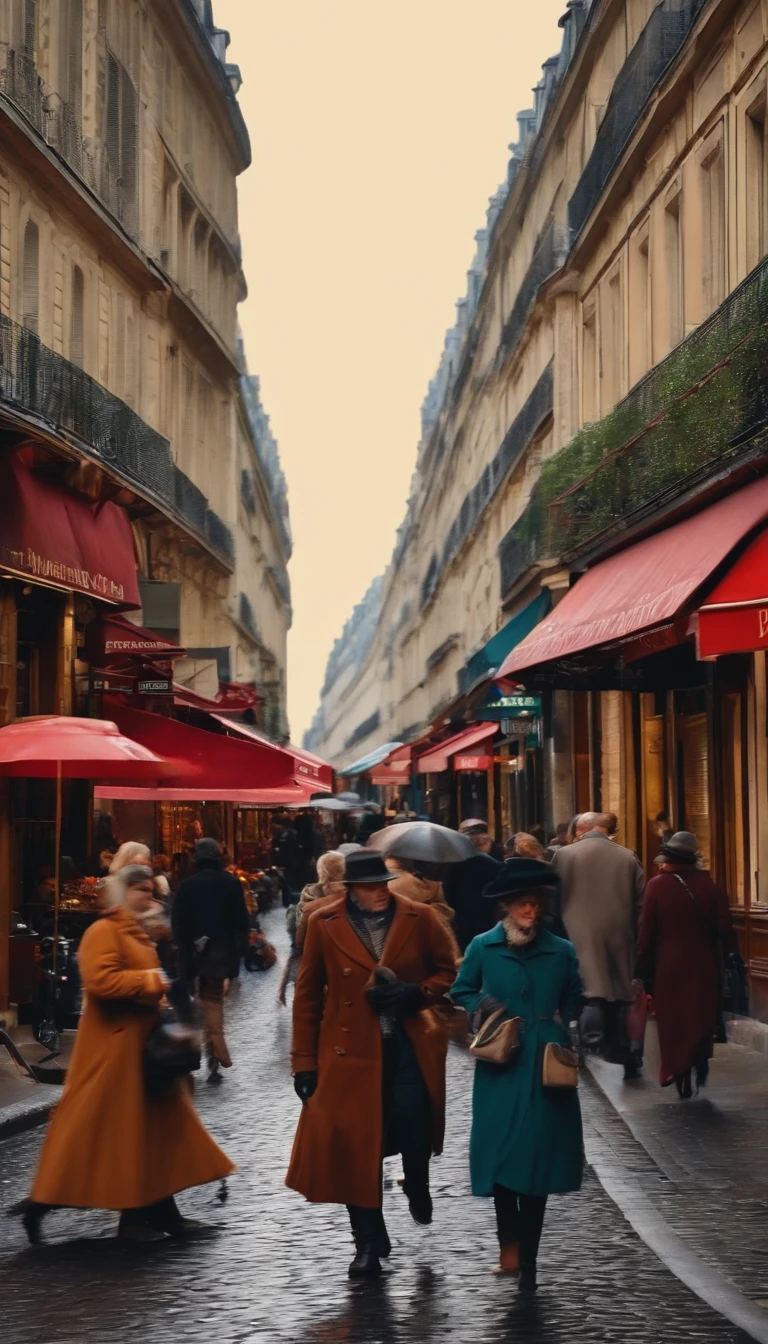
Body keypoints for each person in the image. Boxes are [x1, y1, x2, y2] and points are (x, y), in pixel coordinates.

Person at [14, 864, 233, 1245]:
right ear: (124, 891)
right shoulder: (103, 931)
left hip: (143, 1053)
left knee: (149, 1135)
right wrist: (153, 981)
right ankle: (42, 1204)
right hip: (113, 1053)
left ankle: (157, 1217)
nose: (149, 897)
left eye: (151, 890)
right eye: (142, 890)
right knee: (101, 1140)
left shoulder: (137, 930)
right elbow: (101, 981)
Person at [286, 849, 457, 1279]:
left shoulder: (420, 916)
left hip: (407, 1044)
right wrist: (304, 1062)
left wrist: (416, 994)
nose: (380, 892)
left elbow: (449, 971)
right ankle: (366, 1240)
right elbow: (307, 997)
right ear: (350, 890)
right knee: (355, 1147)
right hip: (347, 1054)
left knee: (413, 1120)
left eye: (383, 883)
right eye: (370, 886)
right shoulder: (323, 924)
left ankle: (416, 1179)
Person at [451, 859, 583, 1292]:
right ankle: (508, 1247)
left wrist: (573, 1022)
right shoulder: (482, 947)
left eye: (536, 904)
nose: (531, 912)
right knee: (502, 1157)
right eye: (523, 905)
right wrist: (485, 1005)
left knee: (539, 1162)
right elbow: (462, 988)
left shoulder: (561, 950)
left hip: (544, 1061)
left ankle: (528, 1256)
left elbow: (575, 996)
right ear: (507, 907)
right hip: (501, 1061)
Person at [636, 831, 733, 1099]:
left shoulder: (657, 885)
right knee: (699, 1018)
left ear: (669, 859)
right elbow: (724, 928)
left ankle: (675, 1070)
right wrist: (730, 956)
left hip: (669, 966)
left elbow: (646, 933)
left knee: (673, 1020)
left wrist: (642, 971)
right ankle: (695, 1064)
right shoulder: (710, 885)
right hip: (704, 965)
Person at [552, 812, 645, 1079]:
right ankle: (626, 1054)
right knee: (620, 997)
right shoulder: (627, 857)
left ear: (580, 829)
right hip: (619, 939)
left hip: (575, 936)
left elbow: (553, 901)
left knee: (583, 993)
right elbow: (641, 904)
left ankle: (583, 1044)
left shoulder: (563, 856)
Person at [172, 838, 250, 1083]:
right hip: (220, 954)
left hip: (192, 954)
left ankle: (201, 1055)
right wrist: (238, 952)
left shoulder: (186, 886)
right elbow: (241, 922)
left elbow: (178, 925)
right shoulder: (230, 883)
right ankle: (216, 1054)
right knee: (213, 1003)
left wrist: (184, 952)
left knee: (197, 1005)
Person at [278, 850, 347, 1005]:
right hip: (342, 976)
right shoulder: (352, 901)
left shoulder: (305, 904)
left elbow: (296, 946)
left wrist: (284, 983)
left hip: (310, 975)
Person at [444, 830, 501, 952]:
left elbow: (449, 891)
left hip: (463, 914)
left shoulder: (456, 864)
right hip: (487, 913)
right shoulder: (493, 863)